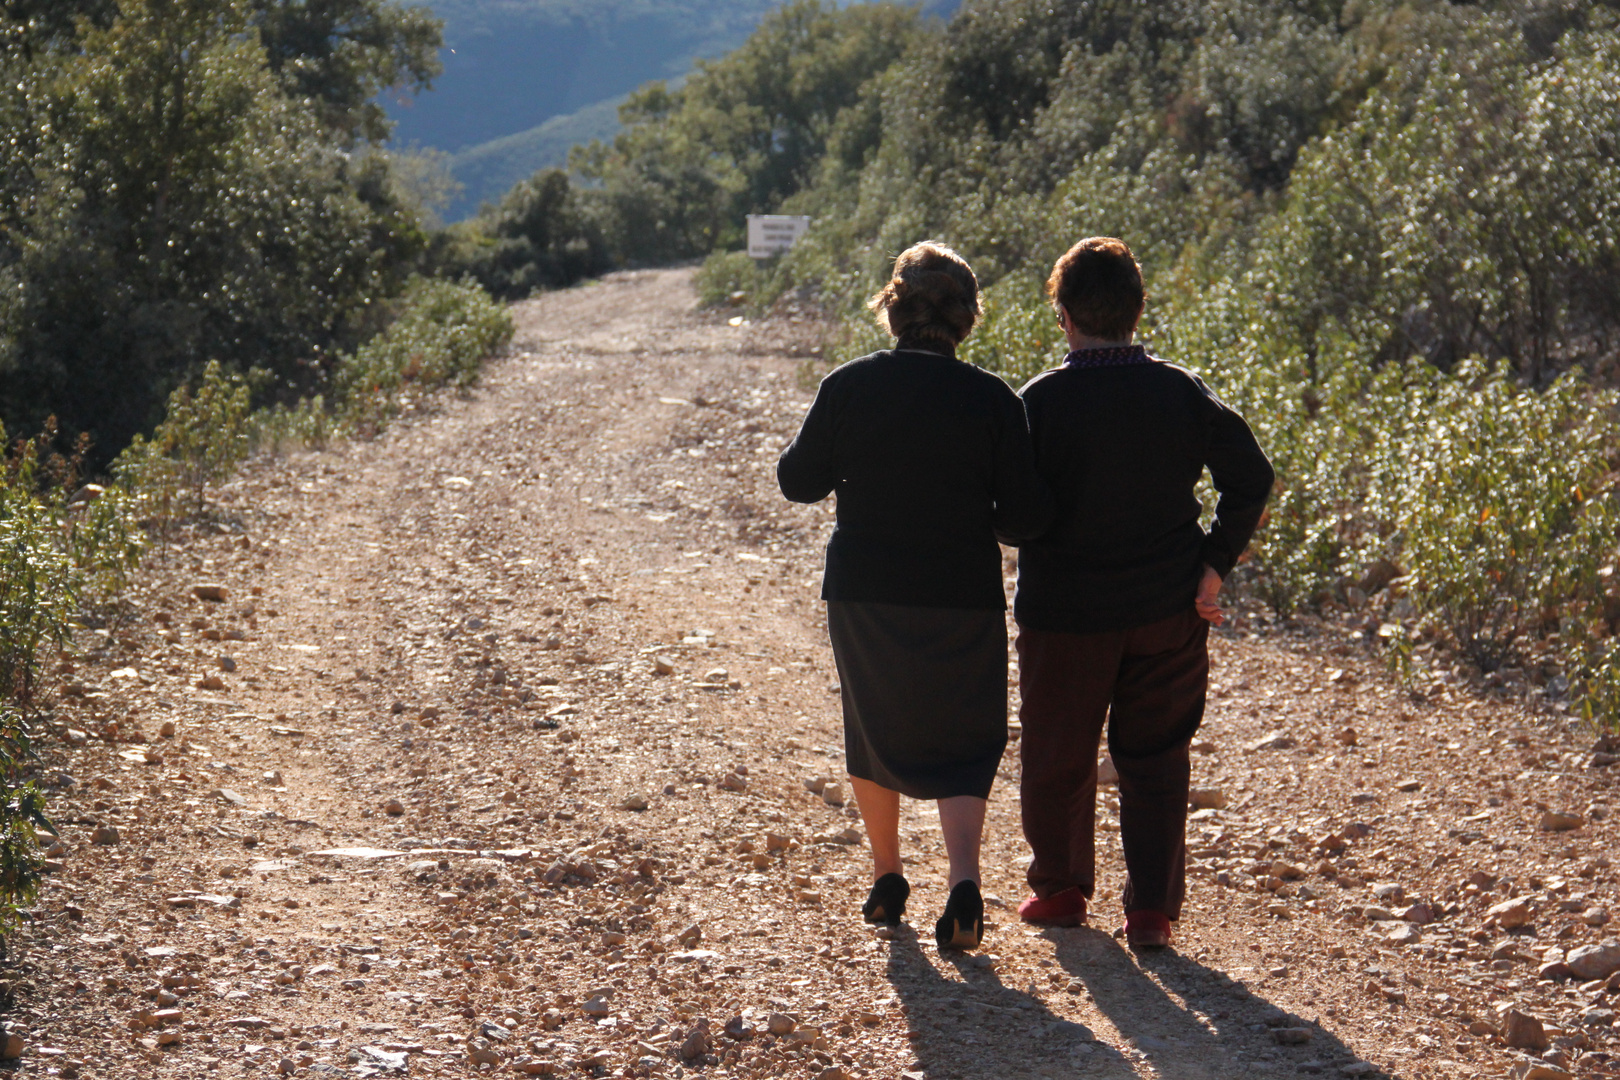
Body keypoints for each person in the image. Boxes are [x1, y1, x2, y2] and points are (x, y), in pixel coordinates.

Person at [778, 241, 1051, 952]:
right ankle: (963, 883)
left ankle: (888, 874)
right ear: (966, 320)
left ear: (893, 309)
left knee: (873, 724)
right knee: (966, 732)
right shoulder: (994, 399)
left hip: (865, 590)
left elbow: (799, 481)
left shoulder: (848, 385)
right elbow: (1024, 520)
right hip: (961, 589)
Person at [1013, 236, 1273, 949]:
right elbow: (1251, 477)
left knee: (1057, 750)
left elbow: (1009, 512)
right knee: (1156, 758)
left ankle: (1062, 890)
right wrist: (1214, 564)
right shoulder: (1180, 392)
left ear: (1063, 316)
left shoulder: (1038, 402)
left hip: (1064, 616)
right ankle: (1151, 910)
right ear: (1139, 310)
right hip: (1167, 608)